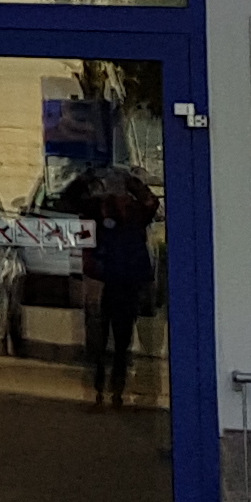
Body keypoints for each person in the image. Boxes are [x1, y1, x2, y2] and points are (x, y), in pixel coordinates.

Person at [84, 164, 157, 407]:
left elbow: (151, 203)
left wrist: (131, 182)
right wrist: (90, 176)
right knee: (100, 336)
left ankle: (117, 387)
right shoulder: (99, 207)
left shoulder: (136, 211)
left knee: (122, 338)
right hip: (105, 279)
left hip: (127, 281)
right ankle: (98, 385)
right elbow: (72, 201)